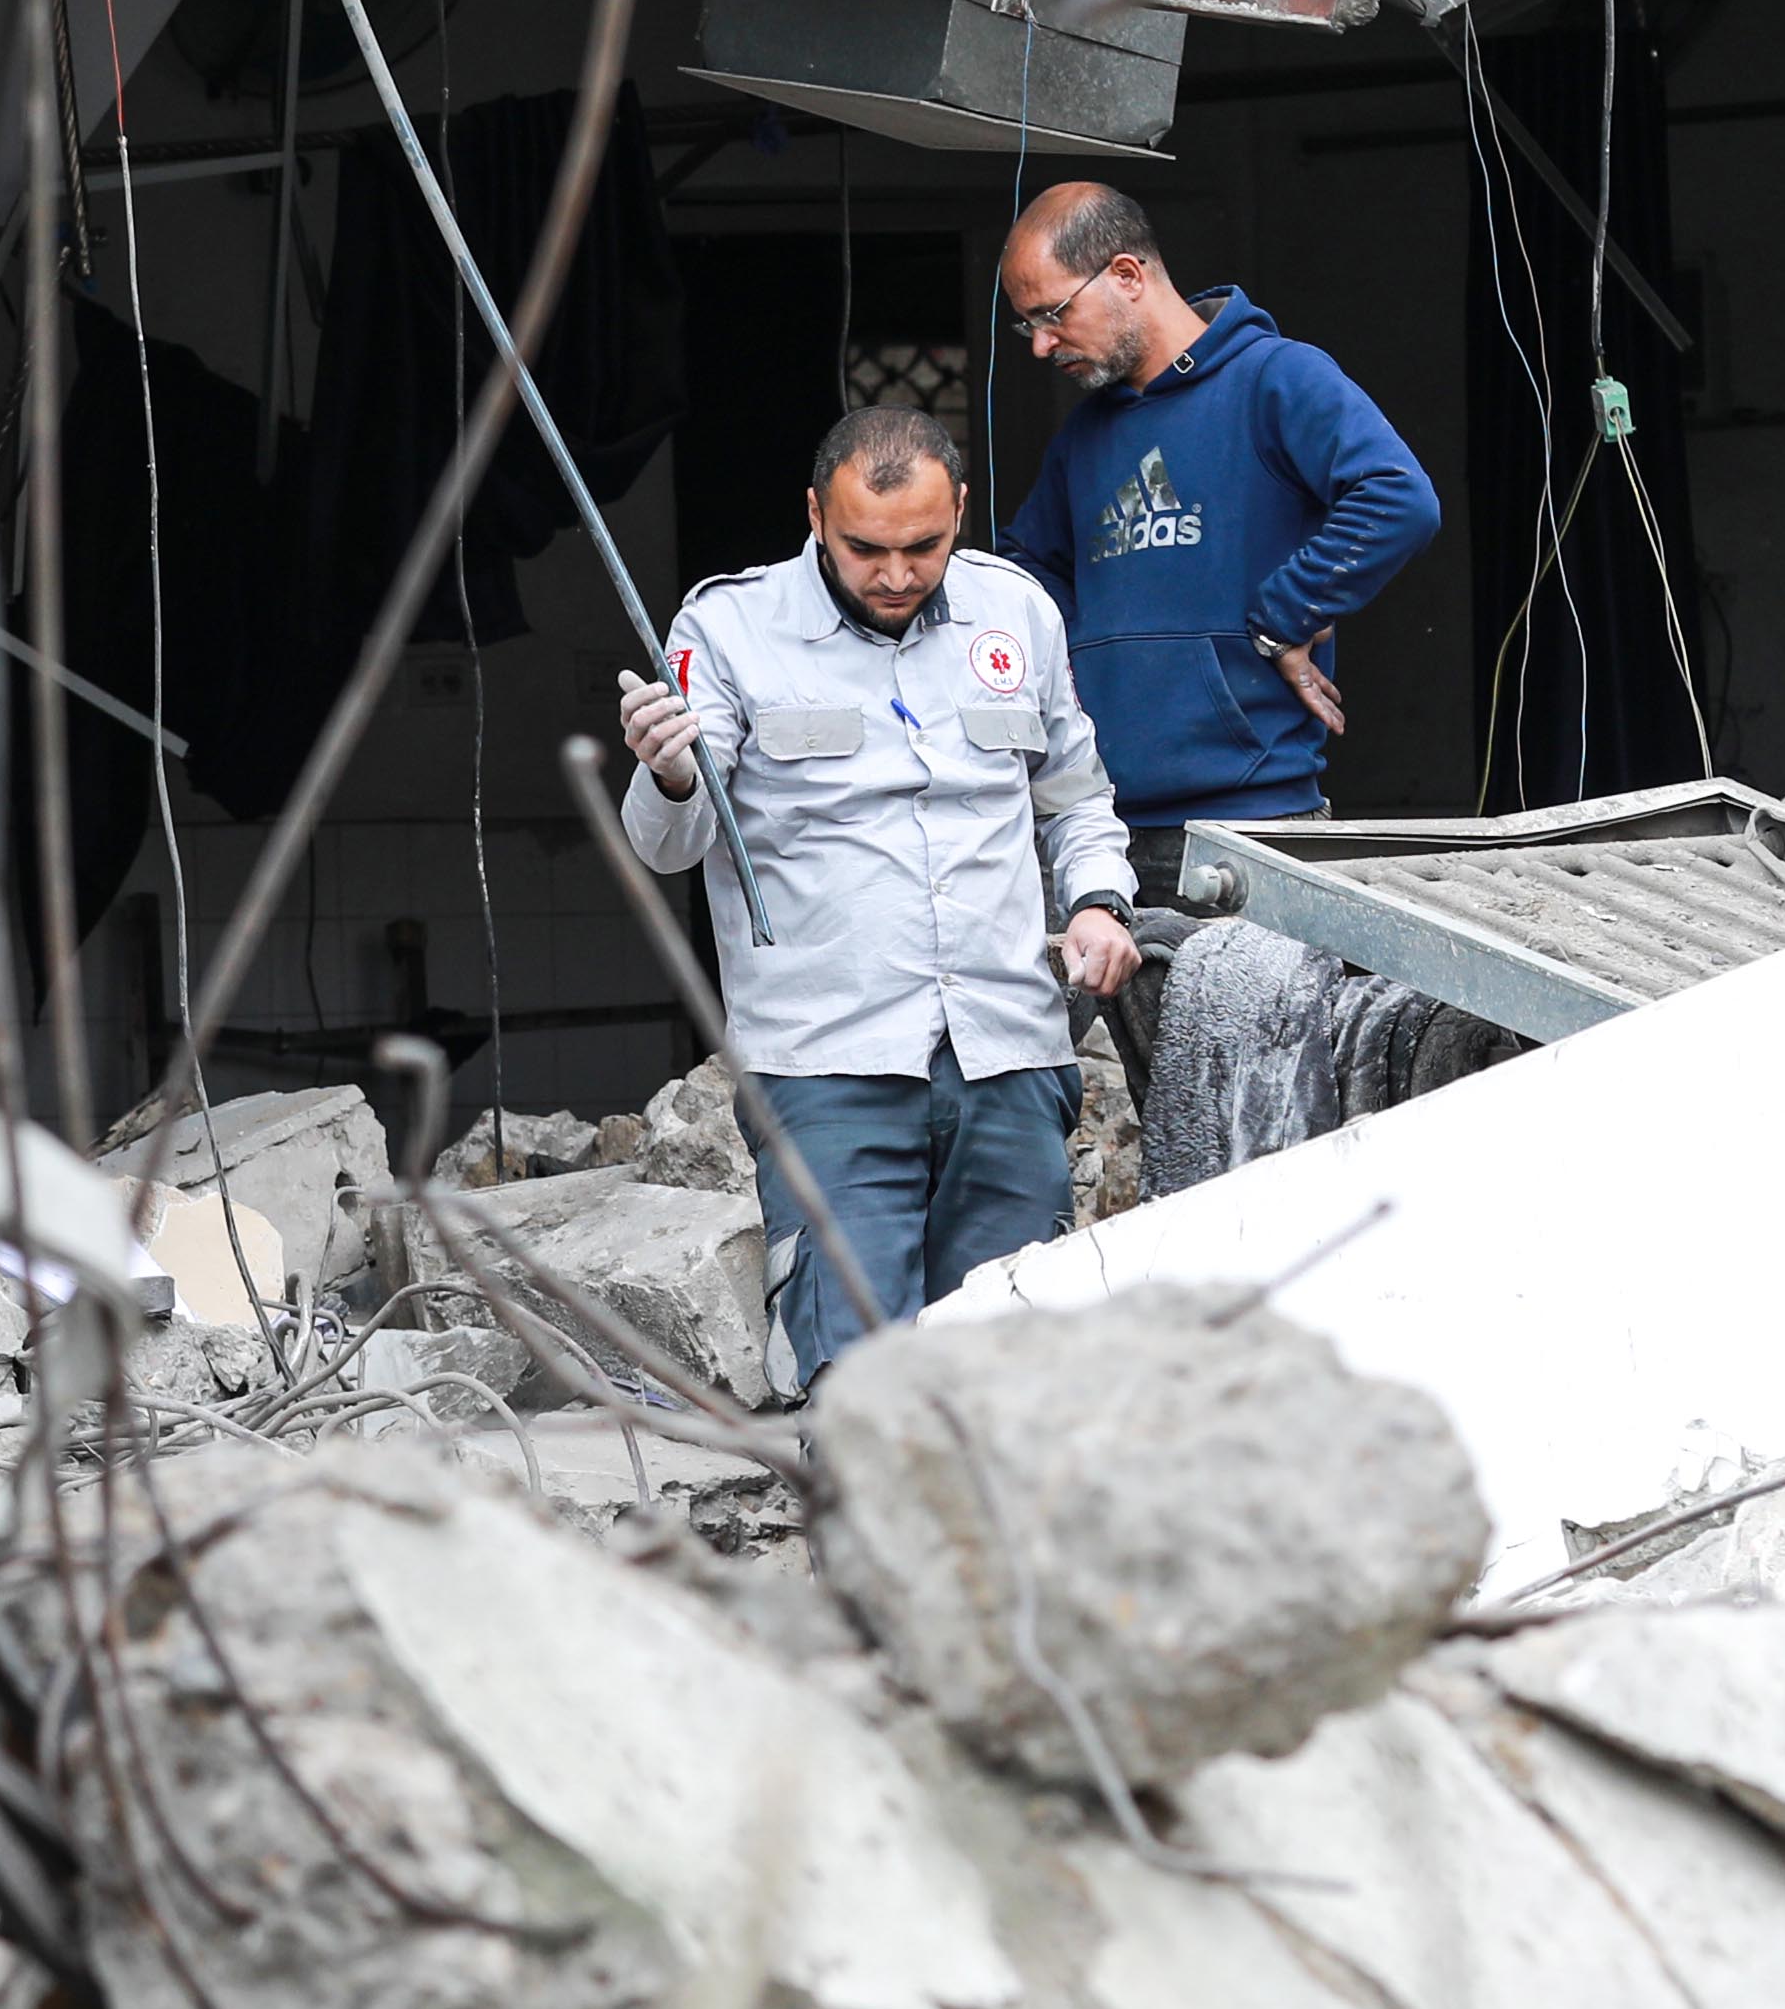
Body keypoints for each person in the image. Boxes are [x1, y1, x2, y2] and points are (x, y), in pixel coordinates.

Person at [618, 405, 1141, 1382]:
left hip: (1006, 1050)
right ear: (816, 515)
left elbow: (1075, 795)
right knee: (855, 1379)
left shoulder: (1017, 611)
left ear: (961, 513)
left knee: (1013, 1372)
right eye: (866, 548)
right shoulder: (729, 626)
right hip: (827, 1065)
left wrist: (1098, 901)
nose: (896, 574)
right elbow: (669, 845)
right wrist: (673, 774)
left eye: (924, 546)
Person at [988, 181, 1444, 872]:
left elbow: (1398, 497)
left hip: (1255, 825)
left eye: (1052, 314)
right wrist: (1083, 659)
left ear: (1127, 275)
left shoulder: (1276, 378)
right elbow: (1024, 569)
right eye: (1028, 326)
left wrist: (1287, 614)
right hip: (1101, 827)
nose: (1042, 344)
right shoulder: (1084, 433)